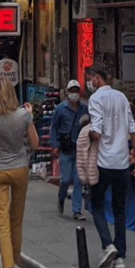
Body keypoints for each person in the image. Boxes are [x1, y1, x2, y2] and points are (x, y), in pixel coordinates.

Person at [0, 78, 39, 268]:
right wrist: (29, 118)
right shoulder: (24, 116)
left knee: (3, 224)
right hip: (20, 170)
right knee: (16, 220)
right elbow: (34, 144)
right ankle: (13, 264)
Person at [86, 65, 135, 268]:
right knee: (120, 210)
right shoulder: (121, 98)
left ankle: (107, 244)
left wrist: (88, 131)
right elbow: (132, 129)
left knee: (96, 205)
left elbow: (97, 133)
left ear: (97, 78)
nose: (89, 84)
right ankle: (121, 257)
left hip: (103, 162)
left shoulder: (95, 100)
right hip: (122, 162)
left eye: (90, 79)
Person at [49, 80, 88, 220]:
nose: (74, 94)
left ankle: (76, 209)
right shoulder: (60, 109)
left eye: (76, 91)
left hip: (80, 148)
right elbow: (54, 127)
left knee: (78, 179)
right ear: (68, 93)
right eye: (72, 91)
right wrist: (54, 145)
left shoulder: (84, 108)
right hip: (65, 148)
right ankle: (61, 197)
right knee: (65, 179)